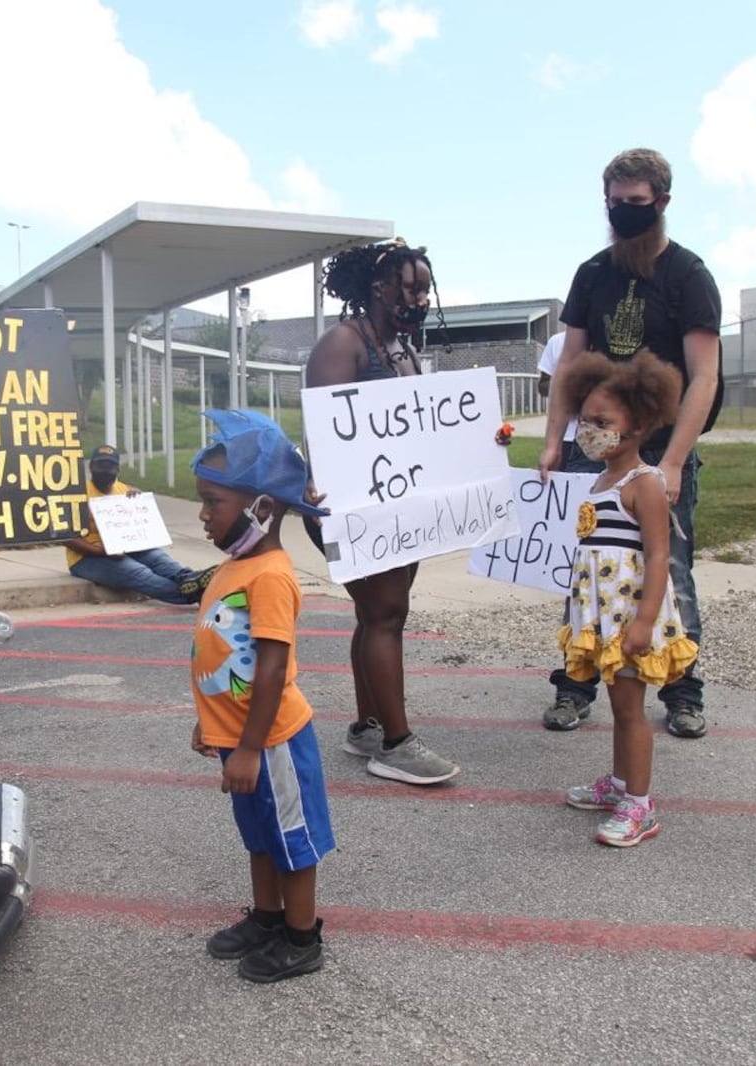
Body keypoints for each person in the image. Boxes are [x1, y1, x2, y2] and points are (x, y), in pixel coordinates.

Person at [539, 148, 723, 739]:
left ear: (662, 203)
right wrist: (553, 441)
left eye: (636, 204)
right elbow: (571, 362)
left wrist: (671, 461)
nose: (623, 214)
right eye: (615, 204)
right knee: (585, 562)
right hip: (591, 449)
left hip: (657, 451)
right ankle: (575, 682)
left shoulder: (688, 276)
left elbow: (705, 376)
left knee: (670, 564)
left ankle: (681, 689)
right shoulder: (593, 273)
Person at [303, 238, 459, 785]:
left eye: (425, 290)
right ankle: (395, 744)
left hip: (395, 506)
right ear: (378, 286)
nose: (419, 299)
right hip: (348, 508)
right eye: (410, 287)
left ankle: (368, 725)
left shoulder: (403, 351)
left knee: (380, 615)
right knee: (385, 614)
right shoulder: (342, 345)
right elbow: (326, 436)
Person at [188, 409, 334, 983]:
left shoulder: (271, 574)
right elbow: (223, 658)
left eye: (211, 503)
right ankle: (268, 919)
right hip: (242, 738)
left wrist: (249, 747)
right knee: (259, 834)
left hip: (272, 740)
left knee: (292, 839)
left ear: (261, 509)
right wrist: (213, 725)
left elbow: (271, 670)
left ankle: (301, 938)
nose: (202, 514)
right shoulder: (235, 566)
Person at [557, 350, 698, 846]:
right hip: (604, 617)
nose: (589, 430)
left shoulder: (646, 484)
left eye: (602, 422)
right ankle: (618, 785)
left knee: (630, 710)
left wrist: (642, 623)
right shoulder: (599, 481)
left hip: (631, 617)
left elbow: (660, 557)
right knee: (619, 706)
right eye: (585, 420)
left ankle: (640, 805)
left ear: (637, 424)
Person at [65, 444, 214, 605]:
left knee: (160, 559)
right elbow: (66, 537)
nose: (105, 470)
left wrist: (139, 504)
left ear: (117, 470)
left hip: (127, 549)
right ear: (91, 466)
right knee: (138, 573)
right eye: (101, 465)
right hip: (87, 558)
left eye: (110, 466)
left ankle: (191, 579)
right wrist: (101, 552)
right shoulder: (78, 494)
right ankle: (199, 595)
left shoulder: (124, 491)